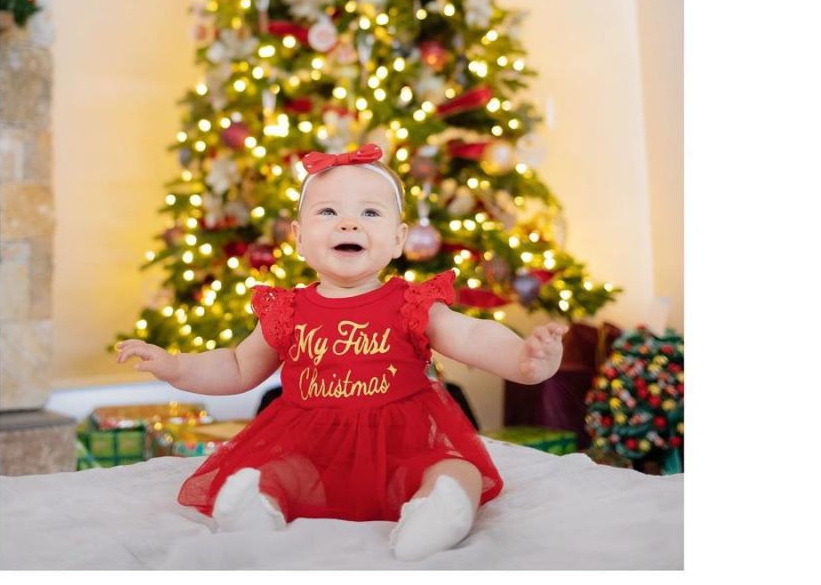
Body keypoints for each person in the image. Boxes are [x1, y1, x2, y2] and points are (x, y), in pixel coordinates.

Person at [117, 143, 567, 561]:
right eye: (328, 211)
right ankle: (257, 506)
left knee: (455, 468)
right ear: (297, 236)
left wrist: (522, 361)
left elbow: (471, 336)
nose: (348, 224)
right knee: (275, 469)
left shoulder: (411, 303)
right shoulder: (288, 310)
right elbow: (236, 366)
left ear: (397, 238)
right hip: (311, 448)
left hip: (402, 445)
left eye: (370, 212)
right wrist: (176, 366)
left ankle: (437, 513)